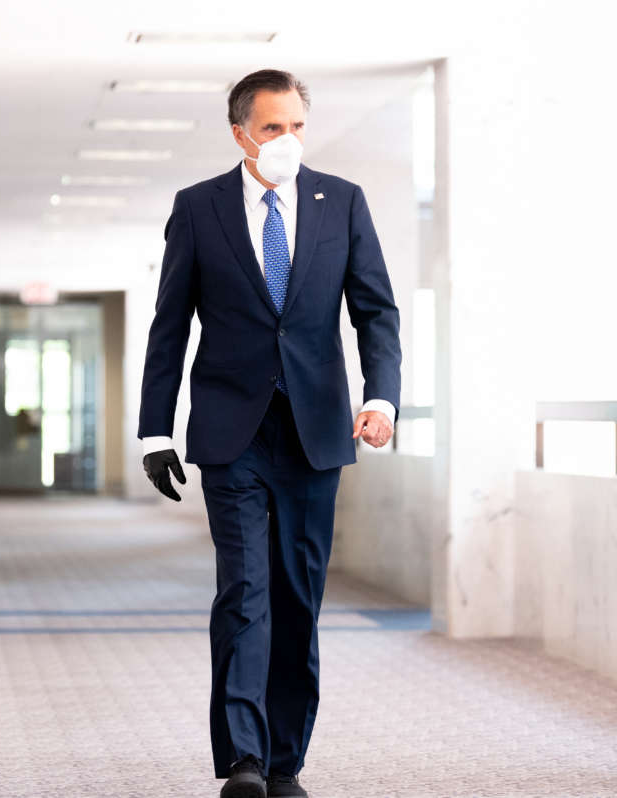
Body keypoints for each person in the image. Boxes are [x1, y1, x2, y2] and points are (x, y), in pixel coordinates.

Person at [136, 68, 402, 798]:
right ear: (241, 133)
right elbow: (170, 326)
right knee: (245, 590)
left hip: (316, 431)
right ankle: (244, 761)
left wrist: (382, 397)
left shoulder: (341, 202)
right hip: (232, 432)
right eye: (274, 127)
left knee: (297, 595)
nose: (289, 139)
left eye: (298, 126)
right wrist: (154, 431)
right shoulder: (199, 209)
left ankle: (286, 761)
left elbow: (375, 312)